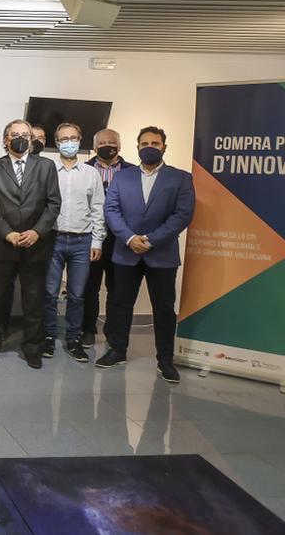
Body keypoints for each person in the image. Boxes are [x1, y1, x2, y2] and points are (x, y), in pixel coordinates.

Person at [97, 126, 195, 384]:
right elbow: (111, 210)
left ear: (164, 146)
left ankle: (165, 360)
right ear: (137, 147)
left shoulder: (180, 178)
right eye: (144, 143)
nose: (149, 147)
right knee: (119, 303)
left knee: (163, 308)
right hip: (126, 252)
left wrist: (150, 241)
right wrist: (130, 238)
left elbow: (182, 215)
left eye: (155, 142)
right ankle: (117, 350)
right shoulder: (122, 177)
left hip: (161, 254)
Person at [0, 119, 61, 369]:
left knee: (33, 299)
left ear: (32, 139)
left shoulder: (46, 167)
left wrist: (37, 232)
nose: (20, 138)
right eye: (15, 134)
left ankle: (32, 348)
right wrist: (7, 233)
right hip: (2, 244)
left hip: (36, 244)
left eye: (25, 134)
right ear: (5, 139)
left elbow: (53, 204)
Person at [43, 123, 105, 364]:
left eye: (73, 138)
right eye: (63, 138)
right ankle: (48, 336)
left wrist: (97, 241)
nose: (69, 142)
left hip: (82, 241)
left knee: (78, 295)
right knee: (49, 293)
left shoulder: (91, 173)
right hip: (53, 240)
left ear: (80, 140)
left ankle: (73, 339)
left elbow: (98, 208)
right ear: (57, 143)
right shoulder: (49, 170)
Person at [81, 127, 134, 347]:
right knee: (88, 286)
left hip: (121, 239)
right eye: (102, 143)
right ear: (94, 147)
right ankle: (87, 330)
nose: (107, 146)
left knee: (118, 288)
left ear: (119, 146)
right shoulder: (83, 170)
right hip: (91, 236)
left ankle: (113, 331)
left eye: (111, 142)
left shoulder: (133, 172)